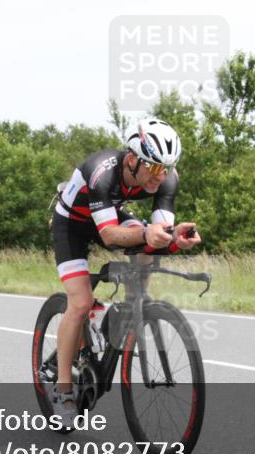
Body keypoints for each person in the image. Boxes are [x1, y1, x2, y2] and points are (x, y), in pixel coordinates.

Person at [49, 118, 201, 419]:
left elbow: (159, 232)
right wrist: (147, 234)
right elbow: (108, 235)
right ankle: (63, 388)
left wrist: (175, 241)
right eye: (155, 167)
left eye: (167, 168)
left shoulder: (166, 179)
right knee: (80, 304)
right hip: (72, 225)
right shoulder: (101, 172)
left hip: (109, 216)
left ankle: (132, 306)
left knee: (146, 241)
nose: (161, 176)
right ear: (132, 159)